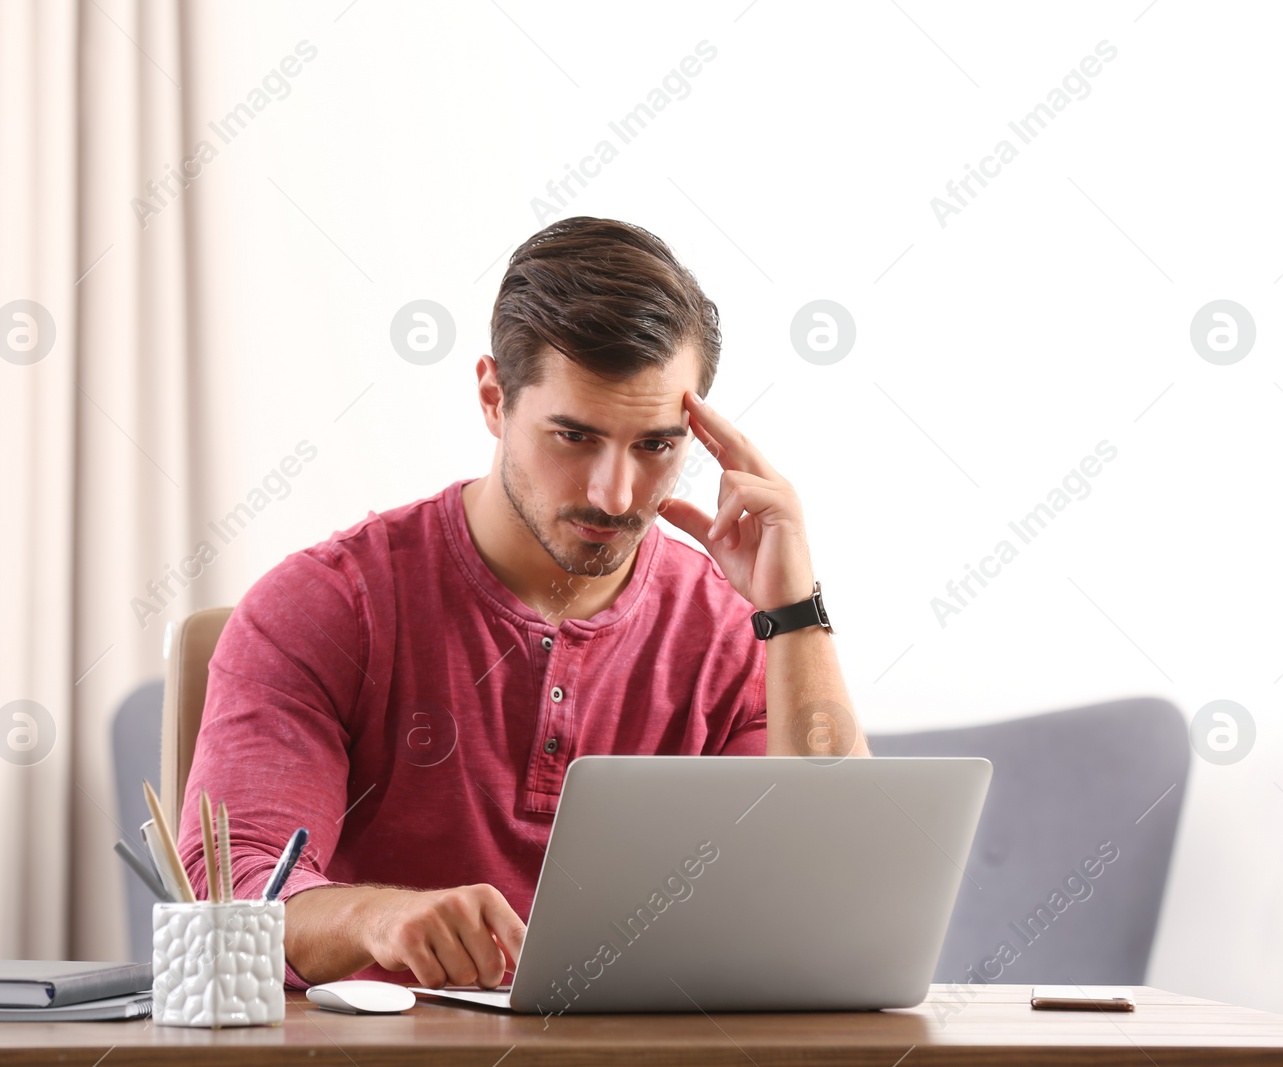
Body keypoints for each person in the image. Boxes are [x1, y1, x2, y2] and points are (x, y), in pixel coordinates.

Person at [177, 216, 868, 992]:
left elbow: (835, 896)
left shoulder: (735, 630)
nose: (615, 494)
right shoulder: (327, 604)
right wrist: (378, 919)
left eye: (656, 446)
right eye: (573, 436)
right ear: (493, 398)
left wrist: (794, 609)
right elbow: (228, 897)